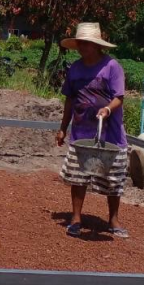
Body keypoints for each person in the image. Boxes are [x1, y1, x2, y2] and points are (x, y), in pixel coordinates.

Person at [55, 22, 130, 238]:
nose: (82, 47)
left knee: (113, 179)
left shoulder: (111, 67)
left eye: (86, 43)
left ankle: (113, 220)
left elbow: (119, 97)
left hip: (110, 133)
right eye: (80, 43)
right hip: (81, 131)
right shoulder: (75, 69)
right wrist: (63, 128)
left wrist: (107, 109)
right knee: (78, 177)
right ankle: (76, 218)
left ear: (97, 45)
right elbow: (70, 99)